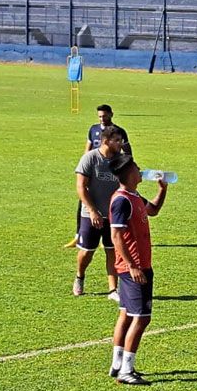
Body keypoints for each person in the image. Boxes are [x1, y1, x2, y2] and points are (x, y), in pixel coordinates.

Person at [107, 157, 167, 385]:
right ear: (129, 173)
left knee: (126, 314)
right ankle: (126, 370)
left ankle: (117, 363)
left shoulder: (133, 197)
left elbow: (153, 210)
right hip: (135, 267)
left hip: (135, 266)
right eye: (137, 168)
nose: (141, 170)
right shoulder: (122, 201)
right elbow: (116, 236)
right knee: (141, 318)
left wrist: (162, 190)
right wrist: (132, 266)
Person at [66, 105, 133, 249]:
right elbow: (87, 149)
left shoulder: (119, 132)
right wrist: (85, 166)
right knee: (84, 203)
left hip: (111, 171)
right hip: (93, 171)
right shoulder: (93, 129)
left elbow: (127, 152)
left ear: (111, 115)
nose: (102, 119)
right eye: (100, 116)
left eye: (105, 116)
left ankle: (113, 235)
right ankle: (78, 236)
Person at [74, 126, 127, 298]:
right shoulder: (90, 158)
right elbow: (81, 187)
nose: (121, 144)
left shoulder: (121, 160)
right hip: (91, 215)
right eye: (117, 141)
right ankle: (80, 277)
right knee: (87, 252)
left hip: (113, 215)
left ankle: (113, 289)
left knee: (112, 250)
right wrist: (93, 211)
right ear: (106, 141)